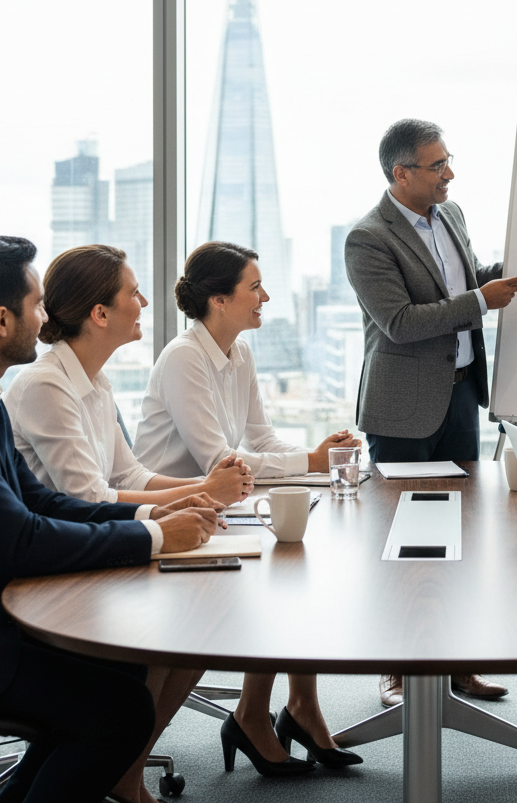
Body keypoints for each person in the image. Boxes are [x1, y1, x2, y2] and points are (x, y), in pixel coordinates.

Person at [0, 236, 221, 803]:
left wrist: (160, 516)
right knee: (121, 710)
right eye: (37, 305)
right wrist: (154, 537)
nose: (46, 316)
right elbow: (21, 540)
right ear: (2, 319)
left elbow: (42, 503)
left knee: (122, 669)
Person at [5, 244, 253, 803]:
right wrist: (196, 495)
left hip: (99, 545)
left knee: (198, 635)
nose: (145, 302)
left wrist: (201, 494)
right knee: (177, 629)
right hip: (60, 570)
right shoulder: (46, 385)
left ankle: (127, 768)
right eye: (132, 294)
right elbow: (86, 496)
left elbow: (129, 472)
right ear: (99, 313)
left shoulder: (94, 380)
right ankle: (121, 768)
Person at [136, 241, 363, 776]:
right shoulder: (184, 358)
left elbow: (260, 436)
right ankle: (257, 714)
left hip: (224, 507)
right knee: (285, 569)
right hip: (178, 514)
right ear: (218, 299)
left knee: (300, 558)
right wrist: (307, 459)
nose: (266, 296)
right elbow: (220, 460)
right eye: (254, 287)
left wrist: (318, 461)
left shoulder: (239, 351)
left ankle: (293, 707)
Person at [344, 118, 517, 707]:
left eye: (449, 160)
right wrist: (479, 301)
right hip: (402, 407)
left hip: (458, 394)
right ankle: (398, 669)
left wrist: (494, 279)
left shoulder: (451, 215)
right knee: (404, 543)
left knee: (460, 537)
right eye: (437, 165)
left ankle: (458, 664)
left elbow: (463, 283)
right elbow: (399, 322)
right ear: (401, 174)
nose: (450, 173)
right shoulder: (367, 238)